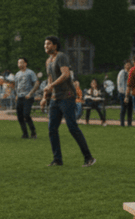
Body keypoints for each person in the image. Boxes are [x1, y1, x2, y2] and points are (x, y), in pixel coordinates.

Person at [40, 36, 96, 167]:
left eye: (48, 44)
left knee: (72, 127)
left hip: (67, 96)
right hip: (55, 99)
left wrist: (51, 85)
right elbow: (49, 80)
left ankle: (89, 158)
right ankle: (57, 160)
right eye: (45, 44)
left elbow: (65, 74)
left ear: (55, 45)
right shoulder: (48, 61)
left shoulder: (61, 56)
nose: (46, 46)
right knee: (52, 129)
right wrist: (44, 97)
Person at [14, 57, 39, 139]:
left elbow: (36, 83)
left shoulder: (30, 72)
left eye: (21, 62)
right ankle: (25, 133)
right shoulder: (17, 74)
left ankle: (33, 132)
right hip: (20, 97)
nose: (20, 64)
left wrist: (30, 93)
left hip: (28, 97)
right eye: (18, 63)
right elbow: (16, 86)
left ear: (25, 63)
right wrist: (16, 95)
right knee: (20, 116)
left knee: (26, 114)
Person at [117, 59, 133, 127]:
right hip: (123, 93)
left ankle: (129, 123)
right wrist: (124, 94)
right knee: (123, 108)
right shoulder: (122, 72)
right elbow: (121, 84)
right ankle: (122, 123)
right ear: (125, 65)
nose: (128, 66)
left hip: (130, 93)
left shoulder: (131, 73)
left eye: (129, 64)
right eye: (127, 64)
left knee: (130, 109)